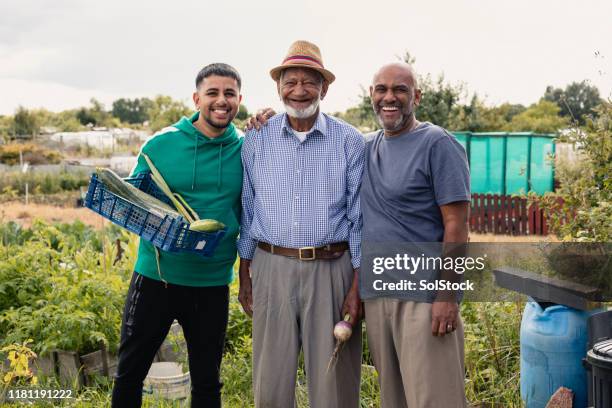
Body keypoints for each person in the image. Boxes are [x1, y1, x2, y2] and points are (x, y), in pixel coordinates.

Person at [237, 40, 365, 408]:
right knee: (271, 377)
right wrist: (244, 271)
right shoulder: (257, 137)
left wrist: (357, 287)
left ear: (325, 87)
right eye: (290, 81)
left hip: (331, 268)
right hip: (271, 266)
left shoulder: (350, 141)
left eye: (309, 82)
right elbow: (249, 207)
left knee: (334, 378)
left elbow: (359, 221)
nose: (299, 90)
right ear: (278, 88)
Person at [111, 63, 244, 408]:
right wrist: (163, 228)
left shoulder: (248, 150)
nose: (221, 100)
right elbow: (133, 201)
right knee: (130, 373)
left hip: (212, 282)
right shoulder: (161, 144)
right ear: (197, 98)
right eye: (212, 93)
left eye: (229, 93)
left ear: (239, 99)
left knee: (207, 381)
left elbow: (251, 213)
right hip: (158, 278)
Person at [361, 62, 470, 408]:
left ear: (417, 97)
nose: (389, 98)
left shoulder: (437, 144)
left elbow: (457, 225)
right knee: (394, 399)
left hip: (423, 300)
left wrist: (447, 296)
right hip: (379, 296)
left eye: (400, 90)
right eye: (381, 89)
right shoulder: (365, 146)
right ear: (371, 95)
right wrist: (269, 120)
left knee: (434, 399)